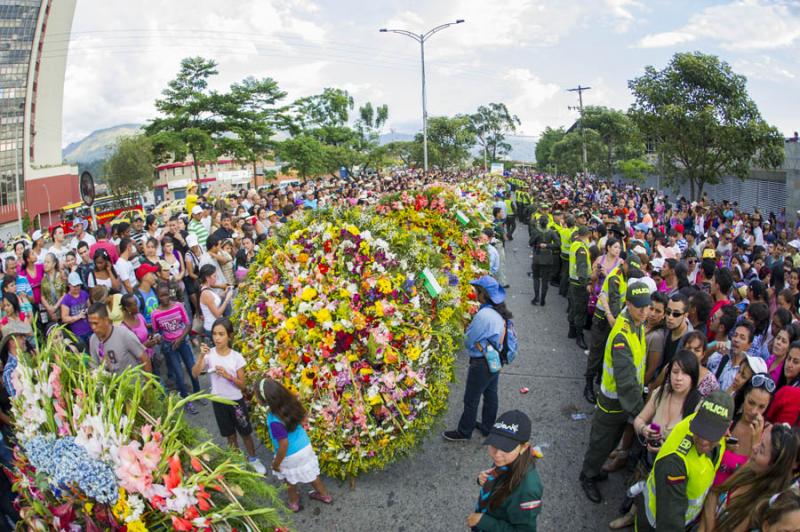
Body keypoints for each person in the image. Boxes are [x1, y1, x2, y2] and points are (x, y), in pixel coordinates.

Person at [580, 282, 651, 504]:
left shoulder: (637, 324)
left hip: (623, 404)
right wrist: (641, 415)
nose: (644, 310)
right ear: (628, 304)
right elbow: (626, 382)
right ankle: (587, 476)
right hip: (613, 402)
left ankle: (593, 470)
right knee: (601, 442)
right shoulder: (623, 334)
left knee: (610, 442)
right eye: (638, 306)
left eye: (646, 306)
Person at [635, 391, 734, 531]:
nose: (703, 440)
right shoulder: (675, 463)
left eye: (711, 433)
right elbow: (670, 524)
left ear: (727, 428)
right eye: (700, 430)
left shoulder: (719, 433)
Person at [191, 317, 266, 474]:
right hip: (218, 402)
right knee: (230, 435)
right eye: (214, 334)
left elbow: (243, 385)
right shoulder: (209, 355)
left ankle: (253, 459)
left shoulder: (236, 357)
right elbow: (195, 374)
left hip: (236, 402)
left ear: (229, 336)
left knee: (245, 432)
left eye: (221, 334)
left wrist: (227, 376)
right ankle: (237, 461)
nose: (217, 338)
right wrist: (200, 357)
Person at [443, 276, 509, 442]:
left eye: (477, 291)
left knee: (471, 399)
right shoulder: (498, 312)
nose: (475, 294)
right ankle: (487, 427)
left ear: (483, 294)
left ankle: (464, 432)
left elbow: (469, 340)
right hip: (495, 360)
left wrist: (466, 331)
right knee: (491, 394)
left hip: (481, 363)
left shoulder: (484, 314)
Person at [701, 423, 799, 532]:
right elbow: (714, 493)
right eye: (760, 441)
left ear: (773, 467)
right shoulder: (751, 468)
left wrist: (708, 519)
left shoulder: (761, 506)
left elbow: (712, 501)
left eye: (761, 450)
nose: (754, 447)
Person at [256, 378, 332, 512]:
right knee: (312, 474)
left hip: (289, 454)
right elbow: (304, 418)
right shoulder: (292, 403)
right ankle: (325, 495)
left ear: (266, 401)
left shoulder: (274, 420)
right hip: (305, 447)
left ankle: (294, 503)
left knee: (289, 480)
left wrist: (276, 463)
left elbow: (283, 445)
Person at [467, 410, 543, 531]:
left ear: (524, 447)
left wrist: (483, 521)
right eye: (494, 445)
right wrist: (484, 480)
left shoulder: (528, 490)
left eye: (506, 448)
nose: (497, 454)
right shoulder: (506, 460)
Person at [586, 254, 642, 404]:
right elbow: (615, 303)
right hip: (603, 318)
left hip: (613, 319)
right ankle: (588, 385)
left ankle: (599, 378)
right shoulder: (615, 278)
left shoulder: (627, 276)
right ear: (624, 265)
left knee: (606, 352)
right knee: (596, 352)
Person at [151, 284, 200, 414]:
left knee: (191, 368)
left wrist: (180, 339)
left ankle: (198, 393)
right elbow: (157, 331)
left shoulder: (178, 306)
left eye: (166, 294)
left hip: (182, 341)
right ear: (158, 297)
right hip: (169, 346)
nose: (165, 297)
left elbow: (188, 325)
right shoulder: (155, 314)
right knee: (178, 373)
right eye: (162, 295)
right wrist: (158, 338)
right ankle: (186, 401)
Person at [87, 303, 151, 374]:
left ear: (106, 320)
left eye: (96, 323)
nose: (93, 327)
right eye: (90, 323)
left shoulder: (123, 334)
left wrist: (149, 383)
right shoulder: (93, 339)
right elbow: (95, 366)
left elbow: (144, 358)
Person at [568, 226, 592, 350]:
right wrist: (586, 283)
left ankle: (571, 331)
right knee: (580, 311)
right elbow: (582, 268)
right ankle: (579, 335)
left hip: (573, 282)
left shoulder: (575, 244)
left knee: (573, 306)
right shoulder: (582, 249)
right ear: (587, 235)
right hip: (579, 284)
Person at [529, 215, 560, 306]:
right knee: (545, 280)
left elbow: (530, 243)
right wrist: (548, 245)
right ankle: (543, 299)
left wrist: (537, 243)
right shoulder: (551, 232)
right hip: (548, 258)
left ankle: (536, 297)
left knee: (536, 278)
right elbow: (558, 244)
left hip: (537, 257)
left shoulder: (536, 232)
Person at [198, 264, 233, 339]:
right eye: (214, 276)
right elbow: (217, 314)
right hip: (212, 328)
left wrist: (224, 293)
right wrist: (227, 299)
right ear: (207, 278)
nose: (216, 279)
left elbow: (214, 301)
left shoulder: (208, 289)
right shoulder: (206, 293)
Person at [60, 272, 93, 348]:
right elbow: (64, 318)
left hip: (90, 329)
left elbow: (90, 307)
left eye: (78, 285)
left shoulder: (84, 294)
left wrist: (88, 311)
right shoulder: (66, 299)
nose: (77, 287)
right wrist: (78, 316)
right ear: (69, 285)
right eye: (74, 286)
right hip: (77, 333)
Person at [39, 252, 65, 327]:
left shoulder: (60, 276)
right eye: (44, 262)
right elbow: (42, 296)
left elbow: (64, 294)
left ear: (54, 264)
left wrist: (55, 307)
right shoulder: (43, 279)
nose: (45, 264)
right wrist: (49, 309)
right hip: (49, 313)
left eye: (48, 262)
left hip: (61, 310)